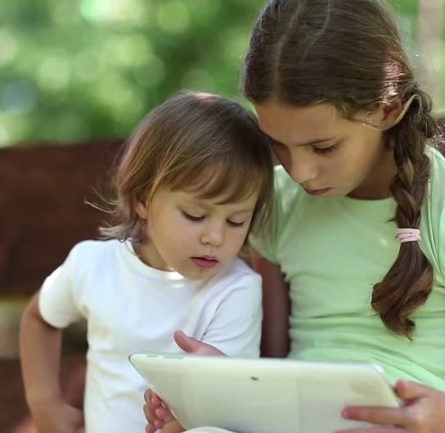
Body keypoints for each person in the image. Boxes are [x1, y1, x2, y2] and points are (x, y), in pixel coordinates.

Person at [144, 0, 445, 432]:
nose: (300, 171)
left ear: (387, 110)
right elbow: (273, 369)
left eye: (323, 147)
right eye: (278, 146)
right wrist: (218, 389)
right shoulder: (281, 202)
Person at [19, 91, 275, 433]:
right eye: (195, 214)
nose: (215, 237)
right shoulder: (94, 265)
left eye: (236, 221)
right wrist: (44, 403)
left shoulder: (236, 290)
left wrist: (178, 421)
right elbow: (39, 318)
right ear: (142, 199)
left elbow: (221, 407)